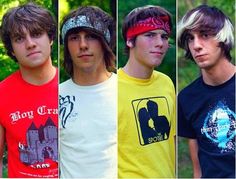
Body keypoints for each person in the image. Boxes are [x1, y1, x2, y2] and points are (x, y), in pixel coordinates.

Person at [0, 3, 58, 178]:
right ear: (12, 50)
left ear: (51, 38)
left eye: (36, 34)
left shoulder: (73, 86)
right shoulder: (2, 93)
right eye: (19, 38)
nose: (30, 44)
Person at [178, 4, 235, 178]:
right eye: (190, 38)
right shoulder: (187, 98)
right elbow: (197, 167)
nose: (196, 45)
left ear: (222, 38)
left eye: (204, 35)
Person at [118, 5, 176, 178]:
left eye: (164, 37)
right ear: (130, 40)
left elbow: (170, 142)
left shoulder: (166, 82)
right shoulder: (110, 89)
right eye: (150, 35)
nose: (160, 43)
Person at [59, 6, 117, 178]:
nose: (83, 45)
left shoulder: (125, 89)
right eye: (74, 38)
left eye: (91, 36)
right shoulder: (55, 96)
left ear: (104, 43)